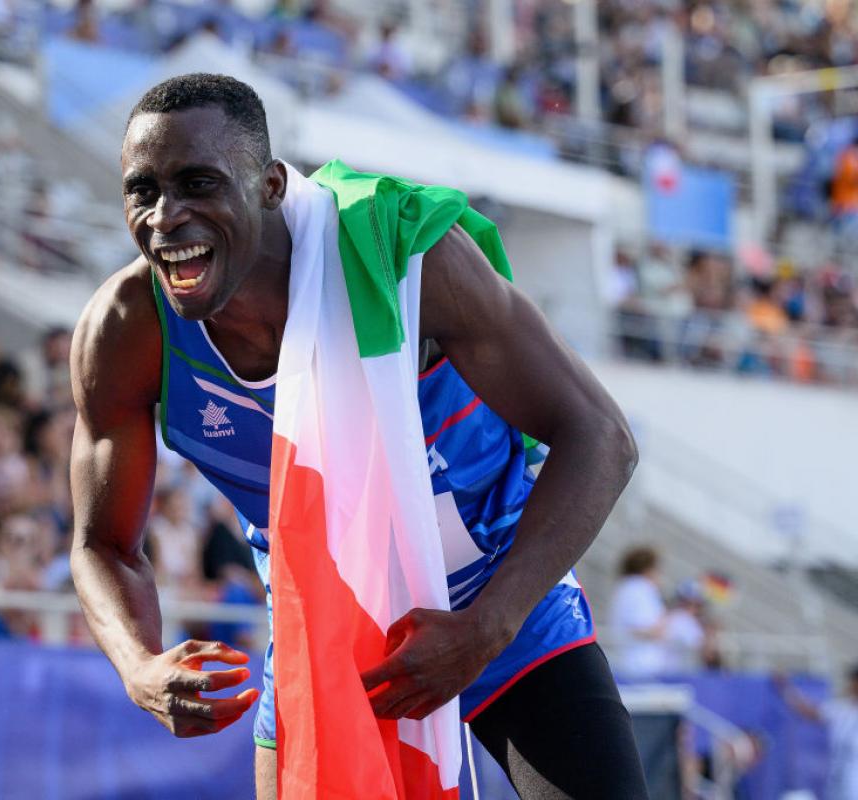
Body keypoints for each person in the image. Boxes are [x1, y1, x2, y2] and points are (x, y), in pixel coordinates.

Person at [69, 74, 645, 798]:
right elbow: (101, 544)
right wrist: (139, 665)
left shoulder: (404, 262)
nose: (165, 216)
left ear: (272, 185)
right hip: (330, 640)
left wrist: (487, 628)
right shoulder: (126, 331)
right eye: (141, 190)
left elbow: (599, 435)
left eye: (198, 183)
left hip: (498, 607)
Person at [777, 666, 858, 800]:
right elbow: (810, 711)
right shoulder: (841, 708)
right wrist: (786, 689)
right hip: (837, 773)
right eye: (853, 681)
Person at [609, 545, 669, 678]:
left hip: (629, 661)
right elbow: (641, 628)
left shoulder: (625, 587)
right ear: (648, 568)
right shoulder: (640, 588)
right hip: (641, 665)